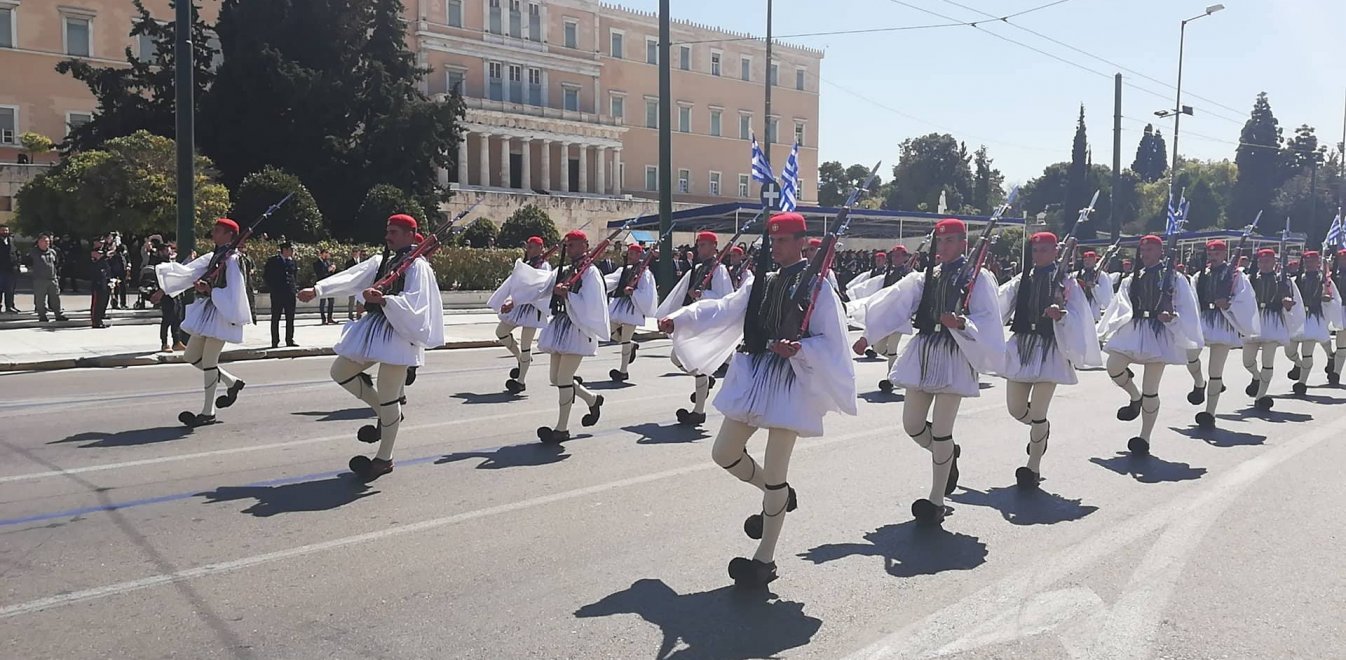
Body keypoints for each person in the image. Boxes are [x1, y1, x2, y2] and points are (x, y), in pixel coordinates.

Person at [659, 211, 856, 587]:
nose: (776, 246)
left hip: (792, 380)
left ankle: (764, 560)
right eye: (773, 239)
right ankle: (776, 494)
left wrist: (799, 349)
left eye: (783, 240)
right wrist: (681, 318)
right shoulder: (760, 282)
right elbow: (724, 308)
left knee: (778, 467)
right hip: (756, 376)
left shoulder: (819, 286)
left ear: (801, 242)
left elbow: (832, 340)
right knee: (724, 453)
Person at [855, 218, 1005, 524]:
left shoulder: (977, 277)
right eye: (940, 240)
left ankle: (936, 499)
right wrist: (868, 335)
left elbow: (989, 317)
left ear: (963, 243)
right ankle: (948, 454)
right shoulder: (926, 276)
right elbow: (895, 305)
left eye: (950, 241)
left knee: (940, 430)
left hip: (954, 353)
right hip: (924, 349)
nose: (944, 246)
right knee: (912, 424)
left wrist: (963, 324)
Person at [297, 215, 443, 481]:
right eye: (388, 231)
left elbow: (417, 303)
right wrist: (318, 290)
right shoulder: (382, 261)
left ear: (411, 235)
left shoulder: (417, 267)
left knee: (390, 395)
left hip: (399, 333)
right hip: (375, 327)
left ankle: (384, 458)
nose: (389, 236)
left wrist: (385, 300)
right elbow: (351, 277)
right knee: (340, 371)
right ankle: (383, 415)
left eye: (395, 232)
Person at [994, 232, 1101, 488]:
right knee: (1016, 409)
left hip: (1050, 349)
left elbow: (1078, 315)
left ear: (1056, 252)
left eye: (1044, 250)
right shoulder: (1022, 279)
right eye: (1035, 250)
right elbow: (999, 304)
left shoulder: (1067, 282)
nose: (1038, 254)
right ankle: (1041, 432)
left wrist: (1061, 315)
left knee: (1038, 412)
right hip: (1022, 345)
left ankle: (1033, 467)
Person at [1097, 235, 1203, 455]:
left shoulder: (1174, 278)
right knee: (1113, 366)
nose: (1145, 255)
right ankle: (1134, 397)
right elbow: (1121, 303)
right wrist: (1104, 329)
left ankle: (1144, 437)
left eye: (1150, 250)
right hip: (1134, 329)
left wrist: (1172, 318)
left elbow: (1186, 306)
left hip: (1159, 334)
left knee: (1151, 390)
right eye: (1143, 251)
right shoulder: (1132, 278)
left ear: (1160, 252)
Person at [152, 218, 253, 428]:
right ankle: (232, 382)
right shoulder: (217, 255)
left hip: (222, 314)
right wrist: (166, 289)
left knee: (208, 362)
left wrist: (210, 290)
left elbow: (236, 290)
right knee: (191, 356)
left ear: (229, 235)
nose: (213, 234)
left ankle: (208, 412)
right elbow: (190, 272)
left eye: (218, 231)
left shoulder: (233, 259)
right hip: (208, 311)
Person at [536, 230, 611, 443]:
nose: (569, 249)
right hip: (561, 325)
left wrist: (568, 294)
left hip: (577, 328)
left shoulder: (591, 273)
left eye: (574, 245)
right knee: (556, 379)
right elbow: (545, 286)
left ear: (585, 245)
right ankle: (592, 399)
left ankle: (561, 429)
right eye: (568, 246)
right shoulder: (569, 270)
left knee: (564, 379)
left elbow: (592, 305)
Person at [654, 231, 732, 426]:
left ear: (714, 247)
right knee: (683, 360)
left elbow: (725, 300)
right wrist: (668, 317)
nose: (700, 249)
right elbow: (679, 294)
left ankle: (698, 411)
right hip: (694, 323)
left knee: (683, 359)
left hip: (706, 325)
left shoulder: (719, 270)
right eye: (699, 245)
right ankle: (704, 383)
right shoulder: (697, 269)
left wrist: (703, 294)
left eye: (704, 245)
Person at [1184, 240, 1258, 429]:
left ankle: (1209, 412)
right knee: (1190, 357)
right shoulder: (1200, 275)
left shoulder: (1236, 275)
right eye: (1210, 253)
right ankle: (1199, 383)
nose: (1213, 256)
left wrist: (1229, 304)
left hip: (1223, 322)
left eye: (1217, 253)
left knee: (1215, 372)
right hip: (1203, 320)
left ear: (1225, 254)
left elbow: (1246, 298)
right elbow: (1191, 298)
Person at [1239, 249, 1304, 411]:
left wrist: (1288, 303)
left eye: (1267, 261)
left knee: (1267, 362)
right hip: (1255, 320)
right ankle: (1256, 377)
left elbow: (1291, 298)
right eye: (1261, 261)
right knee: (1247, 361)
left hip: (1273, 321)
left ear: (1274, 262)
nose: (1264, 264)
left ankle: (1260, 397)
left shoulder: (1283, 280)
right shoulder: (1250, 279)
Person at [488, 236, 553, 394]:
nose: (528, 249)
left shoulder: (544, 266)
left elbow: (541, 288)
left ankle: (521, 381)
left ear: (540, 248)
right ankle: (521, 360)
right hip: (518, 306)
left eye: (532, 247)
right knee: (501, 332)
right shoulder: (527, 264)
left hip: (532, 308)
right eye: (528, 246)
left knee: (526, 346)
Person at [848, 245, 913, 393]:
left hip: (899, 316)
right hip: (886, 315)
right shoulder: (887, 273)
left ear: (904, 257)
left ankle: (891, 379)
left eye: (899, 255)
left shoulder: (910, 274)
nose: (895, 258)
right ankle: (899, 363)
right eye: (894, 255)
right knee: (878, 347)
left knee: (892, 348)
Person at [1284, 251, 1341, 393]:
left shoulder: (1325, 280)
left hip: (1314, 317)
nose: (1309, 264)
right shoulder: (1297, 279)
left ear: (1318, 263)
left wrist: (1327, 300)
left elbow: (1334, 299)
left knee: (1307, 352)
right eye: (1307, 261)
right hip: (1298, 317)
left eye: (1312, 261)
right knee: (1289, 351)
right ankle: (1299, 364)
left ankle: (1302, 383)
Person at [605, 243, 657, 382]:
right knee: (610, 332)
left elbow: (646, 291)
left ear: (640, 255)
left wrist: (633, 292)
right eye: (629, 253)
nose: (630, 255)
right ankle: (631, 345)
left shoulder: (644, 272)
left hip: (633, 306)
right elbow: (611, 281)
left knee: (625, 339)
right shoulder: (624, 269)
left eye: (633, 253)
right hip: (619, 304)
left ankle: (623, 371)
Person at [263, 242, 299, 348]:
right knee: (275, 318)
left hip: (290, 293)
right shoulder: (273, 261)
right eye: (291, 250)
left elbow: (294, 276)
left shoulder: (293, 262)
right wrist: (273, 288)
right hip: (277, 293)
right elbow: (266, 276)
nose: (292, 252)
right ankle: (275, 341)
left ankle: (289, 339)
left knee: (290, 317)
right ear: (285, 250)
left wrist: (294, 288)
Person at [26, 234, 68, 322]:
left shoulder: (53, 252)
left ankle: (58, 315)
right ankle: (42, 316)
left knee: (55, 298)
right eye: (44, 241)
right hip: (39, 280)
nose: (46, 243)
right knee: (40, 300)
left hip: (52, 279)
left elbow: (57, 263)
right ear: (39, 242)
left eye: (48, 242)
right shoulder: (33, 252)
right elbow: (27, 262)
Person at [1073, 250, 1114, 322]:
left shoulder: (1101, 275)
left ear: (1095, 261)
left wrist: (1094, 287)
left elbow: (1106, 297)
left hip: (1094, 309)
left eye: (1090, 260)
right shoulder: (1076, 275)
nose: (1087, 262)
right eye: (1085, 260)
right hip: (1079, 309)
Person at [89, 245, 113, 329]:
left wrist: (110, 281)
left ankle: (99, 320)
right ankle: (95, 321)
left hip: (104, 286)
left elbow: (107, 272)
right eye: (98, 253)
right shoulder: (94, 262)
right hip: (97, 286)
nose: (100, 255)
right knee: (96, 305)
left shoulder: (104, 262)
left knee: (102, 304)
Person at [313, 249, 337, 324]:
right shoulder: (317, 263)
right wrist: (328, 269)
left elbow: (330, 273)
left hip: (329, 284)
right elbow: (320, 273)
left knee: (331, 301)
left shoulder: (328, 262)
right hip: (322, 284)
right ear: (321, 254)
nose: (327, 255)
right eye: (325, 253)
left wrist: (333, 269)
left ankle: (330, 318)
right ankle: (323, 319)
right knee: (322, 302)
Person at [0, 224, 19, 313]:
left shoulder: (11, 240)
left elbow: (16, 252)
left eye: (6, 230)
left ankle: (10, 306)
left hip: (11, 269)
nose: (5, 232)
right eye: (3, 230)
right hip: (1, 269)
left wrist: (18, 264)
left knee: (10, 289)